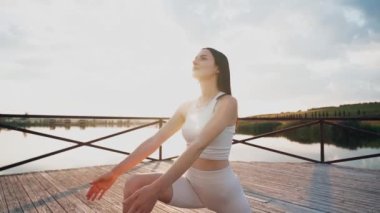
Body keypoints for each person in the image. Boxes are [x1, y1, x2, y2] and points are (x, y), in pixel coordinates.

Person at [86, 47, 252, 213]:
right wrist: (114, 173)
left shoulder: (227, 103)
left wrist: (155, 189)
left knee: (149, 188)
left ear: (218, 68)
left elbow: (198, 145)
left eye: (202, 58)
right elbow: (155, 140)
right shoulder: (187, 106)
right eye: (195, 58)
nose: (195, 61)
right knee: (134, 183)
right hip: (193, 186)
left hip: (224, 193)